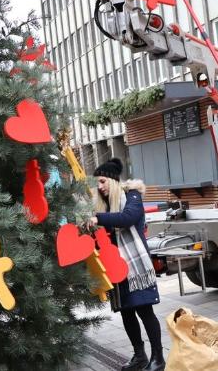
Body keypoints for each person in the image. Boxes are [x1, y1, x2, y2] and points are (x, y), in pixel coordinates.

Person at [88, 158, 164, 371]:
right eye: (98, 183)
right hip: (116, 268)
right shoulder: (105, 206)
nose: (100, 187)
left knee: (145, 311)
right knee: (126, 312)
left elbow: (127, 218)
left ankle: (158, 359)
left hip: (136, 268)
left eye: (102, 181)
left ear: (112, 181)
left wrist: (97, 218)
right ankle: (139, 356)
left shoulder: (132, 196)